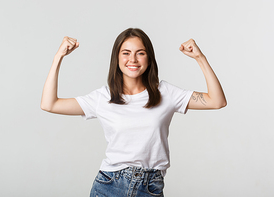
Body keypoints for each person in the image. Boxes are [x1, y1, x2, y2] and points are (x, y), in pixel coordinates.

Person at [41, 28, 227, 197]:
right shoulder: (103, 97)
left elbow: (217, 101)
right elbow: (49, 104)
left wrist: (199, 58)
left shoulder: (166, 94)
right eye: (126, 53)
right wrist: (58, 57)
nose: (133, 60)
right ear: (117, 58)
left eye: (140, 53)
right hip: (108, 186)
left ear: (149, 58)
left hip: (150, 187)